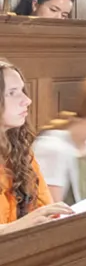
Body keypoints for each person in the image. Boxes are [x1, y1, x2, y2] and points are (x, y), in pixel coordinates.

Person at [0, 58, 72, 229]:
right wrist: (16, 227)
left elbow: (45, 210)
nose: (27, 100)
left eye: (22, 90)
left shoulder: (20, 152)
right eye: (12, 92)